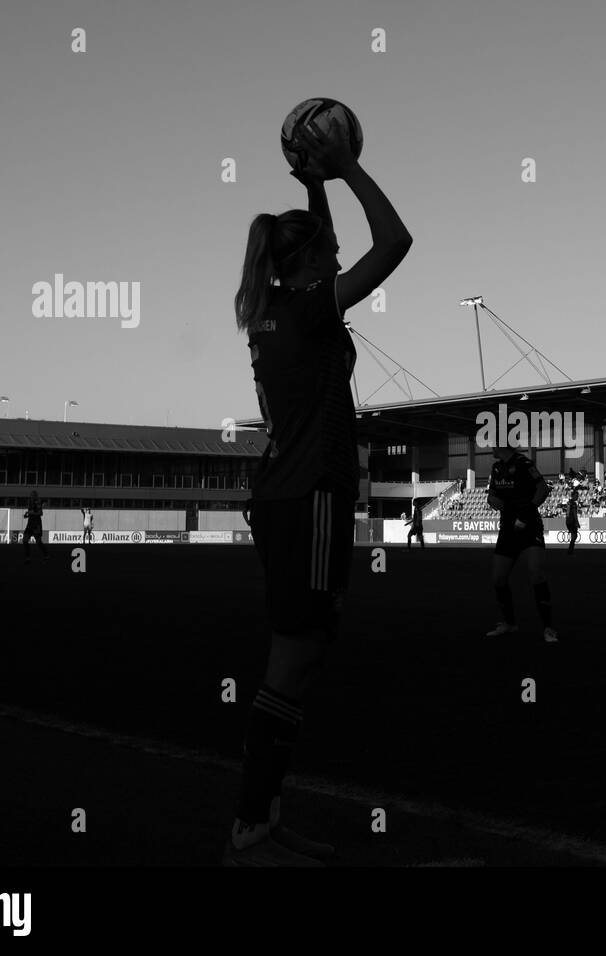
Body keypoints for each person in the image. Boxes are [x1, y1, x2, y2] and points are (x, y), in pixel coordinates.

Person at [227, 109, 412, 866]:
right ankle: (250, 832)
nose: (337, 253)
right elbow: (396, 242)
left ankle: (263, 822)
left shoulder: (276, 308)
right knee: (294, 661)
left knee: (297, 655)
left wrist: (315, 192)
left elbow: (319, 244)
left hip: (285, 495)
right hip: (312, 498)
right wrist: (345, 170)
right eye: (327, 250)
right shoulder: (310, 308)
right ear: (312, 265)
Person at [485, 444, 557, 642]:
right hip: (508, 528)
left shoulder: (524, 463)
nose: (491, 447)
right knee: (498, 578)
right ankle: (509, 624)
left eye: (493, 443)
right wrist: (492, 500)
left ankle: (548, 629)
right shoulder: (496, 468)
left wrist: (526, 514)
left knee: (536, 572)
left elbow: (543, 489)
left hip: (529, 525)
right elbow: (491, 495)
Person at [22, 491, 48, 563]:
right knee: (25, 540)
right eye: (31, 495)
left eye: (33, 495)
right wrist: (27, 515)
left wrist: (32, 513)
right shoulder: (30, 503)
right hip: (30, 524)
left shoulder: (38, 503)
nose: (31, 496)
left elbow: (40, 513)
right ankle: (28, 558)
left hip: (36, 524)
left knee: (38, 542)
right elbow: (31, 513)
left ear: (35, 496)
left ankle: (46, 555)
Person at [565, 488, 581, 555]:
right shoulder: (573, 503)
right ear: (573, 496)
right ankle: (570, 551)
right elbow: (574, 514)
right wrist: (577, 522)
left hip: (568, 521)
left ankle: (570, 550)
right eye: (576, 496)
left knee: (574, 535)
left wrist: (567, 520)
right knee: (574, 536)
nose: (577, 497)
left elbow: (567, 512)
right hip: (572, 521)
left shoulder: (569, 502)